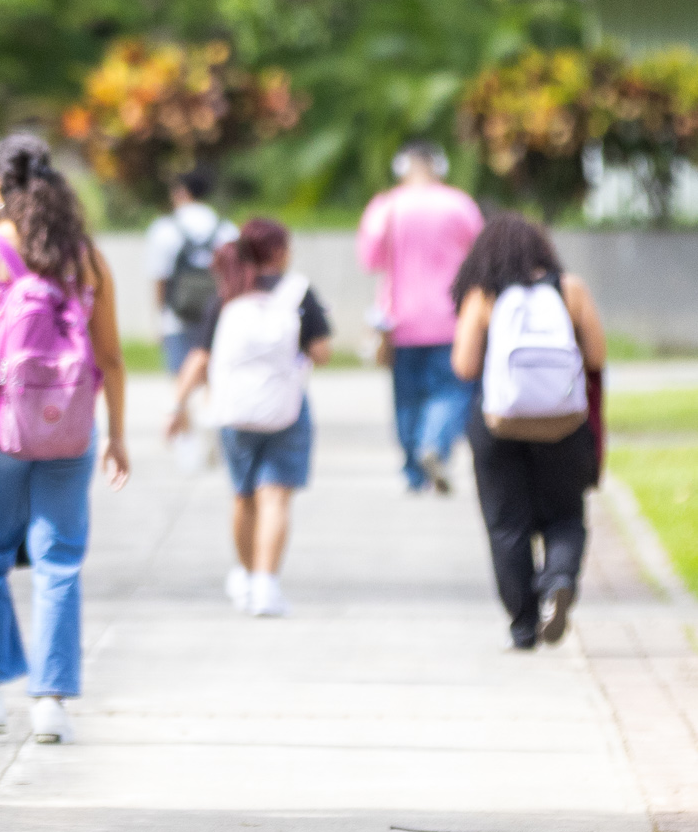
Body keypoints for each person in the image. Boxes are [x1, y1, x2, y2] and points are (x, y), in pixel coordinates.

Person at [0, 135, 130, 744]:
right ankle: (51, 704)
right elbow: (112, 357)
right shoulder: (86, 258)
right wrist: (117, 435)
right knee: (59, 560)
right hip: (69, 427)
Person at [450, 214, 607, 650]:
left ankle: (522, 626)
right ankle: (558, 578)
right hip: (563, 424)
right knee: (565, 516)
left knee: (506, 525)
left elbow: (463, 366)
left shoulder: (484, 294)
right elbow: (596, 355)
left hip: (497, 423)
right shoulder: (569, 288)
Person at [166, 218, 334, 618]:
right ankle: (265, 585)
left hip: (233, 411)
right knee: (274, 496)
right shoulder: (299, 292)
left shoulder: (227, 295)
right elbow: (322, 352)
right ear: (278, 251)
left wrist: (176, 406)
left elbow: (200, 357)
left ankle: (244, 574)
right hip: (286, 409)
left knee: (242, 496)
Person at [358, 141, 483, 493]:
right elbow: (481, 254)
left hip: (400, 320)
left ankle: (414, 470)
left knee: (407, 397)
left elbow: (369, 260)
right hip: (452, 317)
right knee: (453, 390)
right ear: (439, 166)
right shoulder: (459, 204)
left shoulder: (386, 207)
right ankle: (436, 443)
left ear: (401, 167)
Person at [145, 167, 234, 374]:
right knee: (215, 378)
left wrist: (158, 319)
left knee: (180, 382)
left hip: (176, 318)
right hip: (217, 316)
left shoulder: (164, 228)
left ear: (181, 191)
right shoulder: (226, 229)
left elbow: (159, 278)